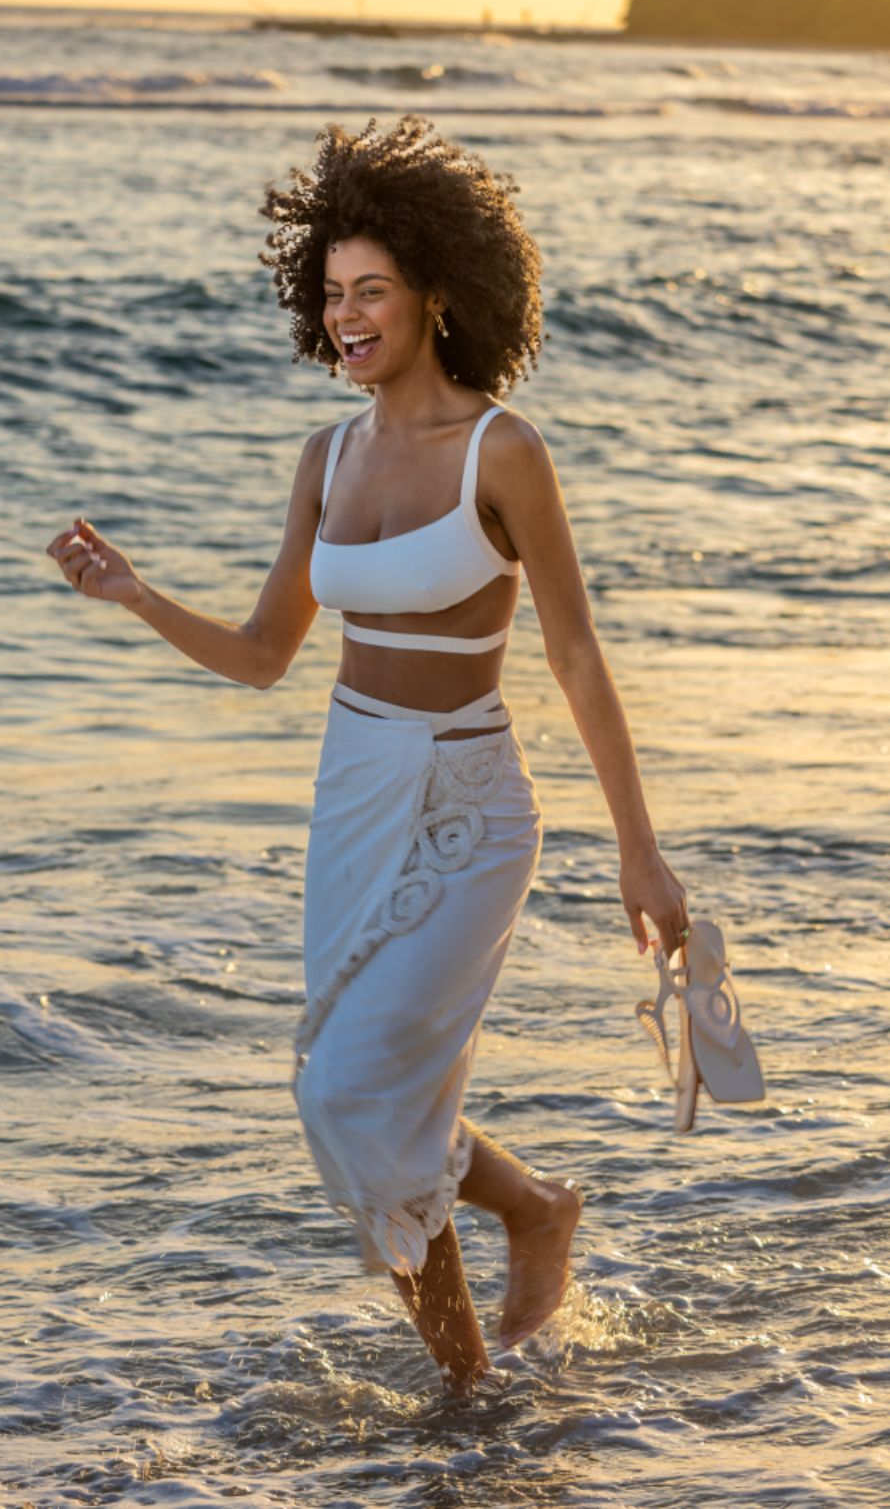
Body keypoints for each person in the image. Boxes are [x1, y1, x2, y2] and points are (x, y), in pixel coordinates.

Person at [47, 116, 688, 1395]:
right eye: (330, 295)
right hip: (353, 794)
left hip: (468, 805)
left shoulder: (502, 451)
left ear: (435, 297)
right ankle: (533, 1218)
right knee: (364, 1084)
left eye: (371, 292)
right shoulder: (325, 456)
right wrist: (135, 595)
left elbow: (575, 657)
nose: (346, 318)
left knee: (349, 1092)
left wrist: (641, 853)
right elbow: (264, 653)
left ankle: (462, 1388)